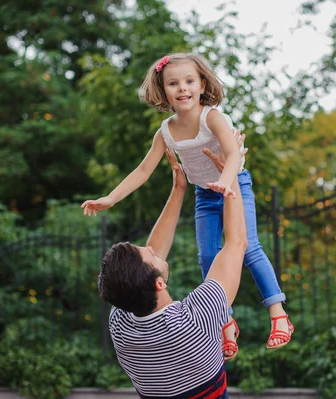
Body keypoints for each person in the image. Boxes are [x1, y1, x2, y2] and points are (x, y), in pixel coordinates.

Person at [82, 53, 293, 359]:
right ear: (162, 89)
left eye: (189, 81)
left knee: (249, 248)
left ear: (202, 84)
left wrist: (225, 179)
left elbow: (234, 154)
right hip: (205, 195)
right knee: (208, 254)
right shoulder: (166, 132)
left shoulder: (212, 118)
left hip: (234, 183)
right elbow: (143, 170)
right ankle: (224, 321)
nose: (182, 88)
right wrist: (110, 198)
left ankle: (278, 313)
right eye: (173, 83)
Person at [98, 147, 245, 398]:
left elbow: (145, 265)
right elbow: (237, 242)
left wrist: (178, 190)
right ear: (158, 284)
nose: (153, 249)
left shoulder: (121, 323)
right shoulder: (197, 316)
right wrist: (230, 173)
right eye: (151, 255)